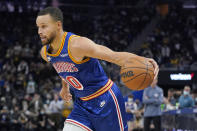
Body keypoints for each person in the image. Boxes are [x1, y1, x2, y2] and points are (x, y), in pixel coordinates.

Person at [36, 7, 159, 131]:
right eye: (38, 27)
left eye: (44, 26)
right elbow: (62, 67)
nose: (39, 31)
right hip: (82, 104)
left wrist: (143, 61)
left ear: (58, 25)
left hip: (105, 99)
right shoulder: (45, 53)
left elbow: (115, 57)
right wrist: (64, 87)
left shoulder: (77, 45)